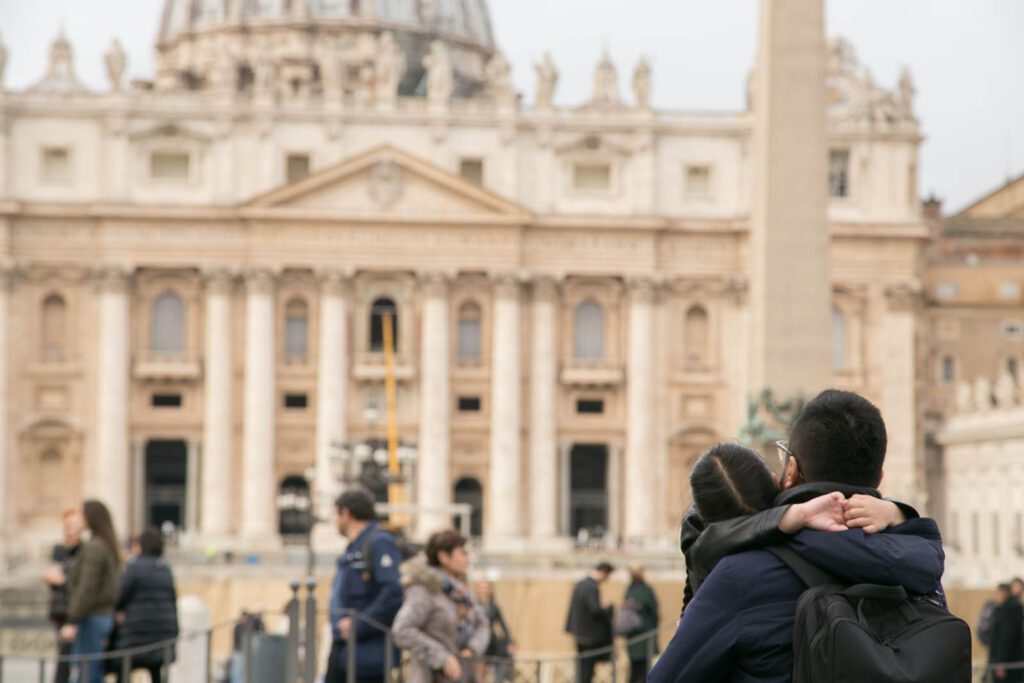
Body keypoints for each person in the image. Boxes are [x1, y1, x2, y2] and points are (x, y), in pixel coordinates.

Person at [650, 389, 947, 683]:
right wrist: (899, 513)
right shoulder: (920, 569)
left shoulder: (740, 577)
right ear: (879, 477)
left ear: (790, 470)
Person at [676, 442, 909, 616]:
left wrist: (791, 516)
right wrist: (898, 513)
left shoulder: (709, 561)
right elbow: (923, 560)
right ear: (776, 479)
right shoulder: (812, 541)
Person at [324, 489, 404, 683]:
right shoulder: (354, 547)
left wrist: (360, 623)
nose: (336, 521)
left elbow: (393, 591)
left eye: (337, 514)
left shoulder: (379, 541)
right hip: (345, 647)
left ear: (347, 513)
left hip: (367, 650)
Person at [393, 530, 490, 683]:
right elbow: (402, 629)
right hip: (431, 677)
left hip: (465, 676)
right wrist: (442, 657)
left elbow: (483, 624)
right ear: (444, 557)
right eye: (462, 553)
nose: (467, 559)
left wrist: (471, 649)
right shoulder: (424, 590)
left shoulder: (463, 593)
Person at [62, 500, 121, 683]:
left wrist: (72, 618)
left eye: (81, 513)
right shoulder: (103, 544)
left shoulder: (94, 547)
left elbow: (87, 587)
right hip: (99, 616)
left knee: (87, 673)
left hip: (91, 617)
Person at [113, 526, 179, 682]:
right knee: (155, 670)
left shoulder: (135, 567)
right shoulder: (165, 569)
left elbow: (119, 596)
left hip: (137, 638)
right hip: (162, 639)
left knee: (120, 666)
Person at [43, 508, 84, 683]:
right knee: (64, 658)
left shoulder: (84, 550)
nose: (72, 529)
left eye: (76, 525)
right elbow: (49, 574)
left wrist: (63, 579)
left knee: (71, 659)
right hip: (59, 609)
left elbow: (77, 581)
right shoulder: (59, 550)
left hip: (74, 611)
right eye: (69, 525)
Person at [564, 562, 614, 683]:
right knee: (586, 671)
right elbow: (595, 609)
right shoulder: (591, 587)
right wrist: (608, 610)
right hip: (589, 636)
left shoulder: (581, 584)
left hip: (580, 634)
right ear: (604, 572)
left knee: (582, 669)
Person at [622, 563, 659, 683]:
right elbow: (654, 612)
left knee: (634, 672)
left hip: (633, 638)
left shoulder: (629, 590)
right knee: (643, 673)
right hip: (644, 639)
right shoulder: (646, 591)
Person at [475, 580, 516, 680]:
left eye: (486, 588)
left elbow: (503, 626)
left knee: (499, 672)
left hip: (492, 644)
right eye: (482, 588)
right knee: (479, 674)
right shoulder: (473, 605)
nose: (484, 590)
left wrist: (510, 641)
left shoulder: (494, 607)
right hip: (478, 643)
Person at [989, 583, 1024, 682]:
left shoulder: (1009, 611)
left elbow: (1006, 638)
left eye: (996, 592)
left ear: (1003, 593)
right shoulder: (1004, 609)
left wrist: (1001, 662)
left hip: (1008, 665)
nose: (994, 595)